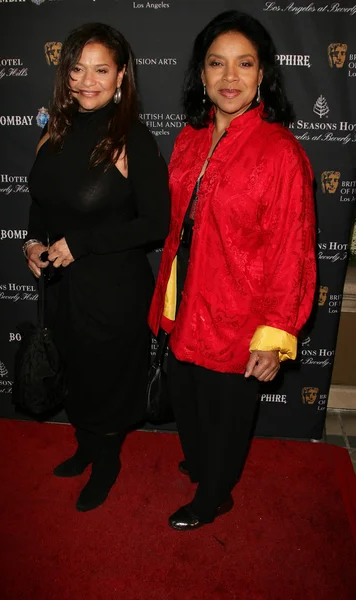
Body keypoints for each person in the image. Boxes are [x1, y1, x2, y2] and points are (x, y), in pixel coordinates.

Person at [148, 10, 316, 531]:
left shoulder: (281, 152)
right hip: (185, 299)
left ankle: (214, 496)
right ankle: (204, 467)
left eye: (244, 64)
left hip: (240, 316)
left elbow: (293, 250)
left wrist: (274, 335)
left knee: (226, 417)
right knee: (189, 403)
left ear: (263, 72)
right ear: (201, 74)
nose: (229, 78)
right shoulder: (189, 137)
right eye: (216, 64)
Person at [24, 23, 170, 512]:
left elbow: (155, 224)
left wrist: (81, 243)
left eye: (101, 69)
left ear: (121, 76)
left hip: (112, 291)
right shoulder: (56, 131)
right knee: (77, 374)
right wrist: (32, 241)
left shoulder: (132, 139)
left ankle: (107, 461)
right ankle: (86, 447)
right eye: (77, 69)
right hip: (62, 286)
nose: (87, 81)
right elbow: (43, 200)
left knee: (105, 379)